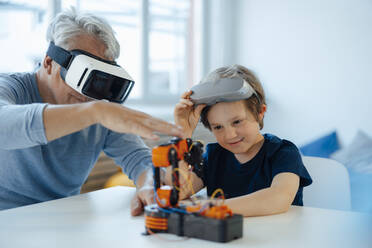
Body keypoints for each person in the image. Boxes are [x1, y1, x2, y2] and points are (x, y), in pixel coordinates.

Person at [0, 8, 184, 214]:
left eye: (98, 79)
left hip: (62, 218)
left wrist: (149, 184)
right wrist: (94, 112)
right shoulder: (11, 88)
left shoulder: (99, 106)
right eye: (81, 73)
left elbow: (138, 159)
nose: (88, 93)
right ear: (49, 62)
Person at [174, 64, 312, 217]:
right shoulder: (213, 156)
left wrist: (212, 206)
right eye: (218, 127)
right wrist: (183, 133)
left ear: (260, 112)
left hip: (280, 238)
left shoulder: (283, 153)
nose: (230, 135)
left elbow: (278, 198)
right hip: (229, 239)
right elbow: (177, 191)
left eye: (237, 122)